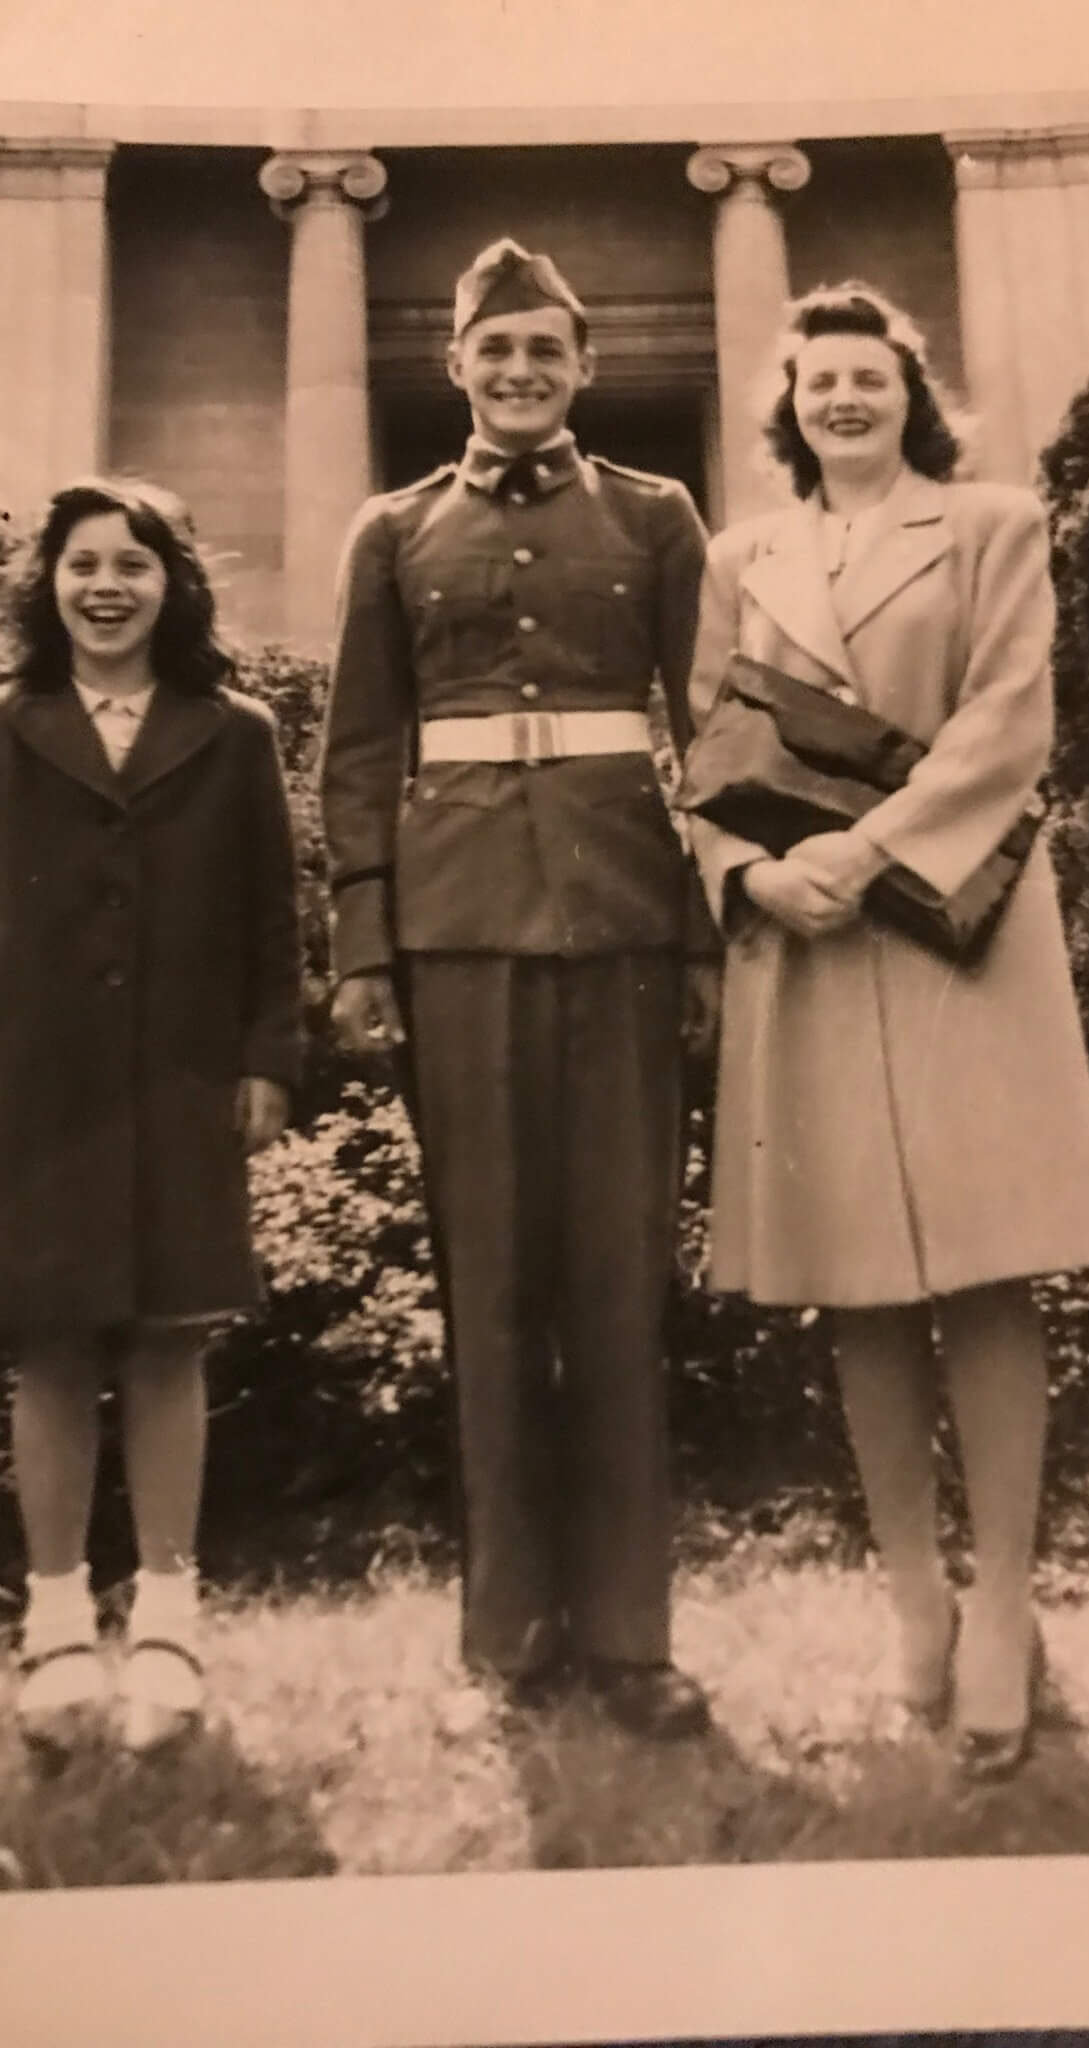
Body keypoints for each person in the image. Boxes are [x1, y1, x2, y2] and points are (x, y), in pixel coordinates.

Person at [684, 284, 1089, 1779]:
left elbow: (1011, 724)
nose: (846, 405)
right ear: (790, 406)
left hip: (958, 933)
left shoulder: (992, 523)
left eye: (870, 381)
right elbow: (705, 749)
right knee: (858, 1285)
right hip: (802, 946)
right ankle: (914, 1606)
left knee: (986, 1272)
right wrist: (750, 873)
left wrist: (859, 857)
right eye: (821, 386)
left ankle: (1004, 1603)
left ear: (910, 393)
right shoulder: (743, 556)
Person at [321, 238, 718, 1739]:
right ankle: (506, 1641)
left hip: (622, 918)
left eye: (546, 351)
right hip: (461, 928)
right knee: (488, 1288)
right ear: (458, 369)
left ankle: (631, 1639)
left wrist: (701, 943)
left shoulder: (656, 516)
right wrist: (365, 944)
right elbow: (358, 753)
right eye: (497, 353)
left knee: (621, 1287)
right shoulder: (393, 531)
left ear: (584, 366)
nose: (521, 374)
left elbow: (717, 740)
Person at [0, 477, 303, 1757]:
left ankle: (173, 1618)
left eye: (132, 565)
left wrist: (265, 1057)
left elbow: (269, 913)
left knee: (169, 1337)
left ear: (170, 586)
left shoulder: (232, 729)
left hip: (186, 1072)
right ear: (49, 583)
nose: (106, 587)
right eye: (83, 564)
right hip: (36, 1080)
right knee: (51, 1343)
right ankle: (57, 1623)